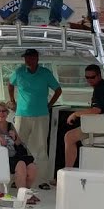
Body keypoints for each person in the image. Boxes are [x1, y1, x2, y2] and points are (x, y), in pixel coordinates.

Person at [8, 48, 62, 188]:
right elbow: (10, 84)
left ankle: (42, 180)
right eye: (26, 58)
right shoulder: (19, 72)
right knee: (16, 146)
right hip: (21, 114)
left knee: (41, 147)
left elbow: (58, 90)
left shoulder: (45, 73)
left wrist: (50, 105)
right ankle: (15, 178)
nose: (28, 60)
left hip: (41, 115)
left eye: (31, 57)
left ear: (37, 58)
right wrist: (12, 101)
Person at [0, 102, 39, 200]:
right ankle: (23, 197)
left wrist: (14, 137)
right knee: (21, 165)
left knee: (32, 168)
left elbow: (19, 142)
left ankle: (26, 193)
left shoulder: (10, 125)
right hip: (3, 158)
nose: (1, 113)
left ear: (7, 113)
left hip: (15, 155)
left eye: (4, 111)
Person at [62, 64, 104, 173]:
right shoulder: (103, 86)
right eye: (87, 77)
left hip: (103, 127)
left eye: (92, 77)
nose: (89, 80)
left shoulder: (100, 89)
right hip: (103, 124)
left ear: (99, 76)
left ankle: (67, 170)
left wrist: (75, 114)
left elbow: (96, 110)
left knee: (69, 137)